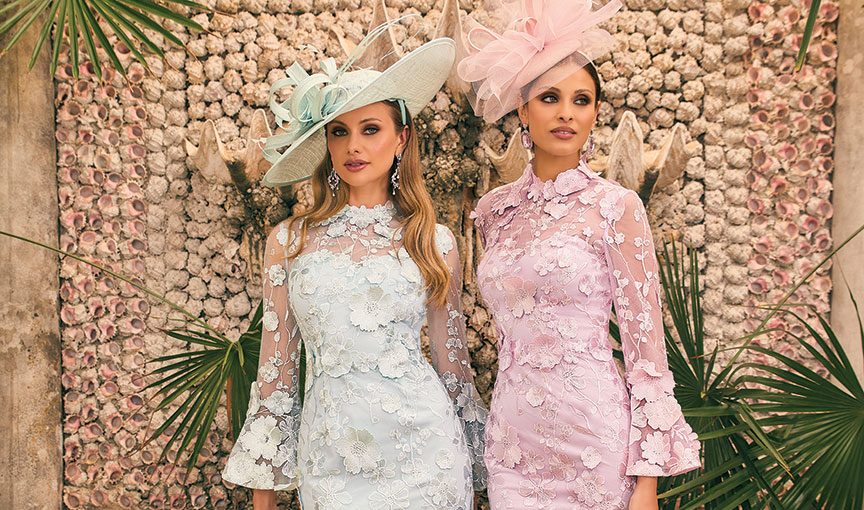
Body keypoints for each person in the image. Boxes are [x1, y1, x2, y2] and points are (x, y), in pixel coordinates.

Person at [222, 34, 487, 510]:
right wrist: (263, 495)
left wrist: (482, 469)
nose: (353, 146)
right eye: (339, 131)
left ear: (401, 137)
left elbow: (454, 371)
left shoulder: (434, 240)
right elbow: (277, 373)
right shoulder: (289, 241)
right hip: (330, 461)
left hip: (427, 458)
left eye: (370, 129)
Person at [458, 0, 701, 508]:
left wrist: (648, 480)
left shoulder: (617, 207)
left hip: (596, 443)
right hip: (512, 445)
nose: (566, 112)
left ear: (594, 112)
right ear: (523, 109)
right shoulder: (492, 212)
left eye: (581, 99)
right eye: (550, 97)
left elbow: (646, 354)